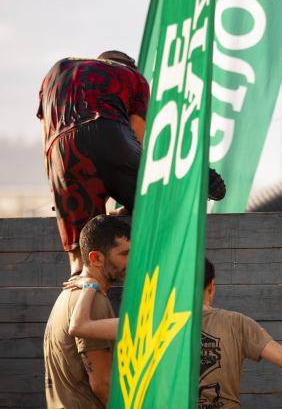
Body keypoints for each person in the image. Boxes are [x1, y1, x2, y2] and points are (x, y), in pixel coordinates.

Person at [37, 51, 227, 275]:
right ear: (131, 66)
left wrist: (62, 194)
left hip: (59, 152)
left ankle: (83, 292)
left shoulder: (59, 70)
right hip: (109, 133)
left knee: (82, 253)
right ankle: (185, 181)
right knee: (154, 192)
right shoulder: (133, 77)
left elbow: (46, 138)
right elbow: (134, 139)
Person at [68, 258, 282, 408]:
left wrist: (89, 284)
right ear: (212, 285)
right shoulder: (238, 324)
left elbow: (78, 326)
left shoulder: (152, 323)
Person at [43, 215, 130, 408]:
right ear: (96, 258)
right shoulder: (94, 303)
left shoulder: (67, 295)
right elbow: (101, 384)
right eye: (124, 254)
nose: (132, 260)